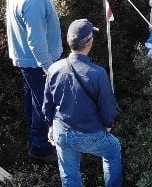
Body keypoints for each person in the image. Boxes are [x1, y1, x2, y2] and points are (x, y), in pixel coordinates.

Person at [43, 19, 123, 187]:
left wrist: (51, 127)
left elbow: (47, 105)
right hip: (89, 134)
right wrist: (108, 125)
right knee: (113, 149)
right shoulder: (98, 73)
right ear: (89, 42)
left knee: (70, 175)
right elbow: (108, 108)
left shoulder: (53, 69)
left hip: (62, 133)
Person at [6, 0, 63, 164]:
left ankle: (32, 130)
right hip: (37, 62)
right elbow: (36, 40)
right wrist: (48, 68)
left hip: (25, 57)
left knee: (32, 95)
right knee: (45, 103)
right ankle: (39, 147)